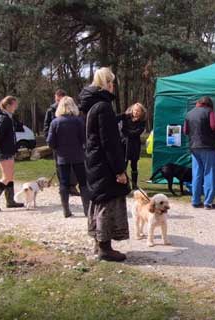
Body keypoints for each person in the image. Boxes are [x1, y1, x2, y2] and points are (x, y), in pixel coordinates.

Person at [79, 67, 130, 262]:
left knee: (98, 200)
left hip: (93, 160)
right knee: (107, 202)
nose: (114, 86)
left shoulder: (90, 104)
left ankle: (98, 242)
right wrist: (119, 170)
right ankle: (104, 247)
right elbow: (109, 141)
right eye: (113, 83)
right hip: (103, 163)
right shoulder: (103, 106)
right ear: (108, 83)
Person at [47, 96, 89, 218]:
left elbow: (50, 142)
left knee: (64, 183)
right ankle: (87, 209)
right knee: (83, 182)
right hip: (78, 156)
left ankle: (66, 210)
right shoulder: (78, 121)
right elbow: (84, 139)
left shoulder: (55, 122)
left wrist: (57, 147)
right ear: (73, 106)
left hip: (62, 156)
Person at [183, 96, 215, 209]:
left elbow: (185, 131)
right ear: (209, 104)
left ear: (198, 103)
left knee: (196, 173)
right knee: (209, 173)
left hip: (194, 147)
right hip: (208, 146)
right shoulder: (210, 112)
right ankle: (208, 202)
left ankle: (195, 200)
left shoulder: (189, 114)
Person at [0, 96, 24, 211]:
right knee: (6, 177)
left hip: (8, 151)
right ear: (8, 106)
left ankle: (10, 201)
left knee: (10, 176)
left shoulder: (7, 117)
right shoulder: (4, 118)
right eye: (14, 104)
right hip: (4, 151)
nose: (16, 107)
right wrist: (0, 145)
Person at [44, 89, 79, 196]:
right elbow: (47, 126)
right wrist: (49, 140)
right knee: (59, 165)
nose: (58, 100)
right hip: (58, 143)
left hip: (72, 143)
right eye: (57, 98)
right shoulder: (51, 110)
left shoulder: (72, 110)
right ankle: (63, 186)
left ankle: (72, 186)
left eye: (60, 98)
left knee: (73, 165)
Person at [116, 103, 147, 189]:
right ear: (132, 110)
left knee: (134, 165)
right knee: (123, 164)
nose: (136, 112)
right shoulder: (126, 117)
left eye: (138, 111)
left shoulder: (142, 122)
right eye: (134, 110)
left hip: (134, 145)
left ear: (141, 112)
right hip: (124, 144)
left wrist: (127, 132)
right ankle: (124, 183)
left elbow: (136, 132)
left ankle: (134, 185)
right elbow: (116, 120)